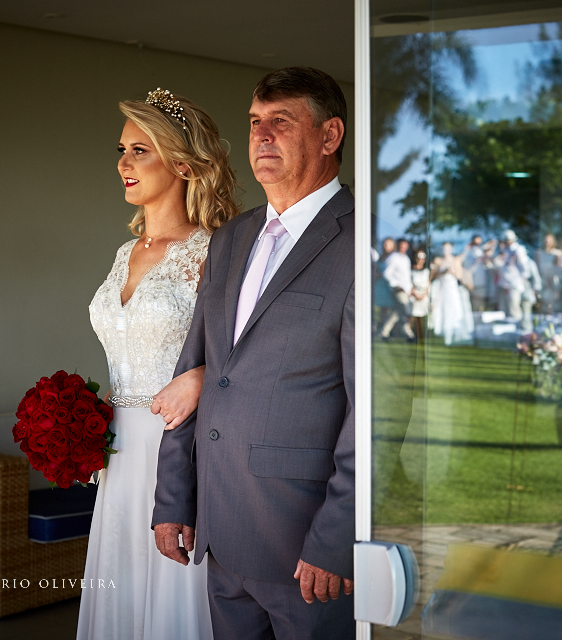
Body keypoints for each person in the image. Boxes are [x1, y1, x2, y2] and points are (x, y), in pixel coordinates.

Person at [151, 67, 355, 639]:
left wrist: (336, 538)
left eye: (281, 123)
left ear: (330, 134)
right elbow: (194, 374)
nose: (262, 137)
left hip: (305, 546)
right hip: (219, 531)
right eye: (255, 123)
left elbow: (376, 414)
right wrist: (173, 500)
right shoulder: (229, 239)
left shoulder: (361, 243)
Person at [79, 89, 239, 640]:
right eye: (121, 149)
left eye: (140, 150)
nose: (123, 163)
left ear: (182, 163)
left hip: (180, 444)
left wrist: (196, 377)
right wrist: (83, 426)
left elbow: (238, 357)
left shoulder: (214, 252)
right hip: (118, 453)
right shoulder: (125, 252)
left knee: (173, 591)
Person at [431, 242, 475, 345]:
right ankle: (443, 335)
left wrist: (452, 272)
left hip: (452, 290)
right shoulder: (438, 260)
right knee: (442, 311)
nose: (445, 250)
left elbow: (459, 276)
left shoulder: (456, 260)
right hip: (442, 290)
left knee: (453, 312)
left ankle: (451, 336)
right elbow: (433, 275)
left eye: (447, 248)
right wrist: (444, 272)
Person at [380, 238, 417, 340]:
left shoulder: (406, 259)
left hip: (406, 290)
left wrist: (410, 289)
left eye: (405, 246)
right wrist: (396, 285)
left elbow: (407, 277)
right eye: (401, 246)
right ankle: (408, 334)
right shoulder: (393, 258)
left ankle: (384, 332)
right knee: (404, 309)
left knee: (397, 312)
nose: (403, 248)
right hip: (398, 290)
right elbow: (386, 273)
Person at [410, 249, 431, 341]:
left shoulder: (427, 270)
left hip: (423, 296)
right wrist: (415, 294)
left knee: (421, 317)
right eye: (419, 257)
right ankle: (410, 335)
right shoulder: (411, 270)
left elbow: (428, 283)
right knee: (412, 316)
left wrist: (424, 294)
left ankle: (420, 336)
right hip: (414, 295)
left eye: (423, 257)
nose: (421, 259)